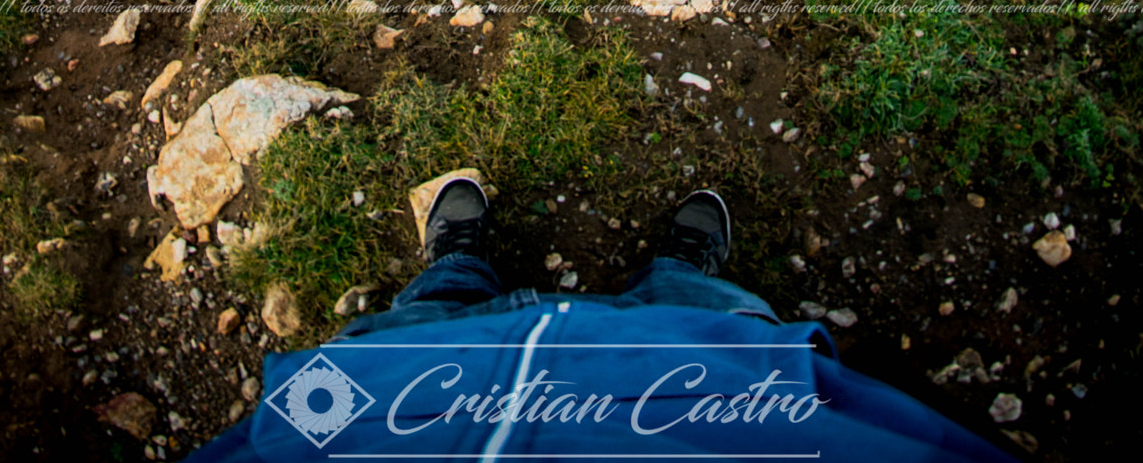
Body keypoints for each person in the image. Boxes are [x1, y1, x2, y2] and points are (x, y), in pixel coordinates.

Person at [189, 179, 1006, 459]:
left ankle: (454, 275)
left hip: (387, 425)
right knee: (719, 336)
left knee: (404, 339)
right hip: (706, 421)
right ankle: (679, 280)